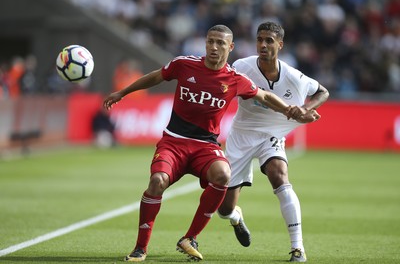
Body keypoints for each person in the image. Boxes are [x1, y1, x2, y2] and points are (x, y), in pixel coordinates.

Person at [103, 24, 320, 262]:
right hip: (174, 142)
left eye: (220, 43)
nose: (214, 47)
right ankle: (140, 249)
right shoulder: (184, 64)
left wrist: (294, 111)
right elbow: (156, 76)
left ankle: (190, 238)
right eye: (210, 42)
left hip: (206, 146)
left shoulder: (235, 78)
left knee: (223, 175)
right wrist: (122, 92)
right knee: (157, 181)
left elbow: (265, 96)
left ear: (230, 47)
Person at [217, 21, 329, 263]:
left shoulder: (294, 77)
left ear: (280, 44)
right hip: (241, 136)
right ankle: (236, 217)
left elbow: (323, 91)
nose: (263, 45)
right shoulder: (241, 67)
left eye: (269, 40)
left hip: (272, 136)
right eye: (260, 40)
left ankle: (297, 248)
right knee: (223, 210)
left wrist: (306, 109)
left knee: (279, 175)